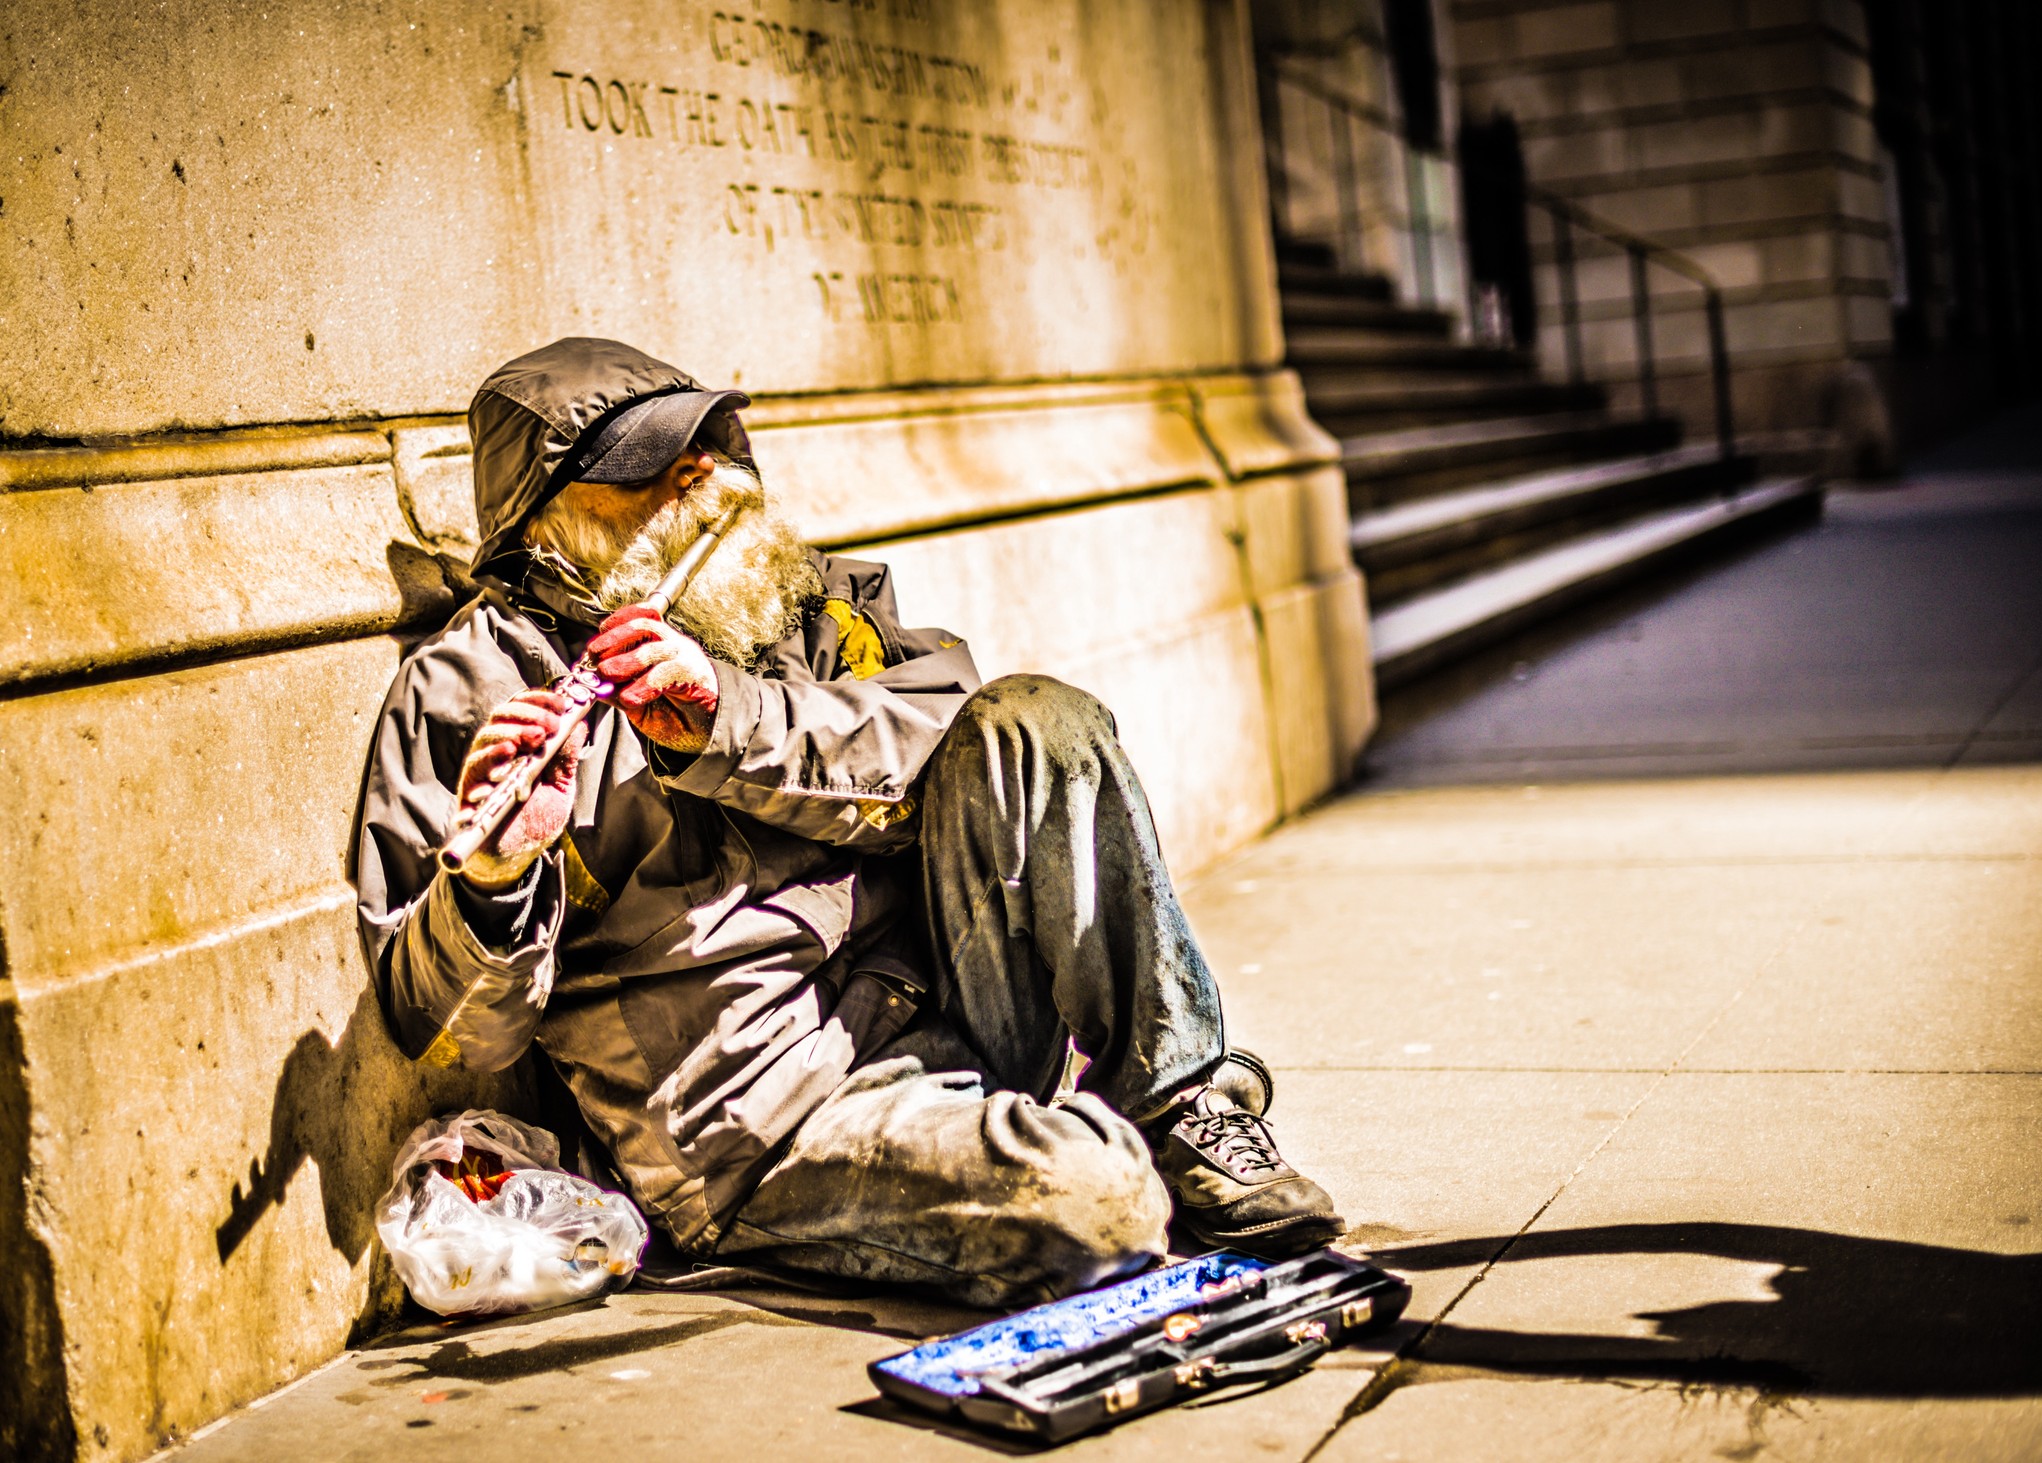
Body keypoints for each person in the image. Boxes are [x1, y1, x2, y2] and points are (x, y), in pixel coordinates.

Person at [355, 337, 1344, 1307]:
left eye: (705, 438)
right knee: (1098, 1202)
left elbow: (953, 738)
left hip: (947, 1000)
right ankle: (1079, 1142)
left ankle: (1181, 1100)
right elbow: (450, 1032)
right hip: (767, 1120)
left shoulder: (799, 595)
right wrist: (493, 873)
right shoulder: (467, 687)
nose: (700, 471)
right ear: (548, 524)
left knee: (1035, 717)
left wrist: (725, 722)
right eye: (649, 466)